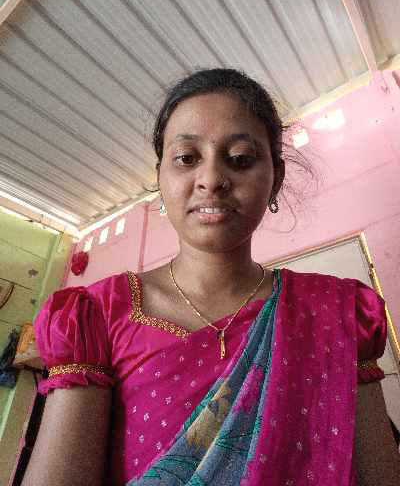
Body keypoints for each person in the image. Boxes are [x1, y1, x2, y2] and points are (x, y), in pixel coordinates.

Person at [24, 69, 399, 485]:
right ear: (161, 178)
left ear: (275, 178)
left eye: (240, 158)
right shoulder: (97, 317)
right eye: (187, 158)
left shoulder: (335, 313)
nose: (211, 180)